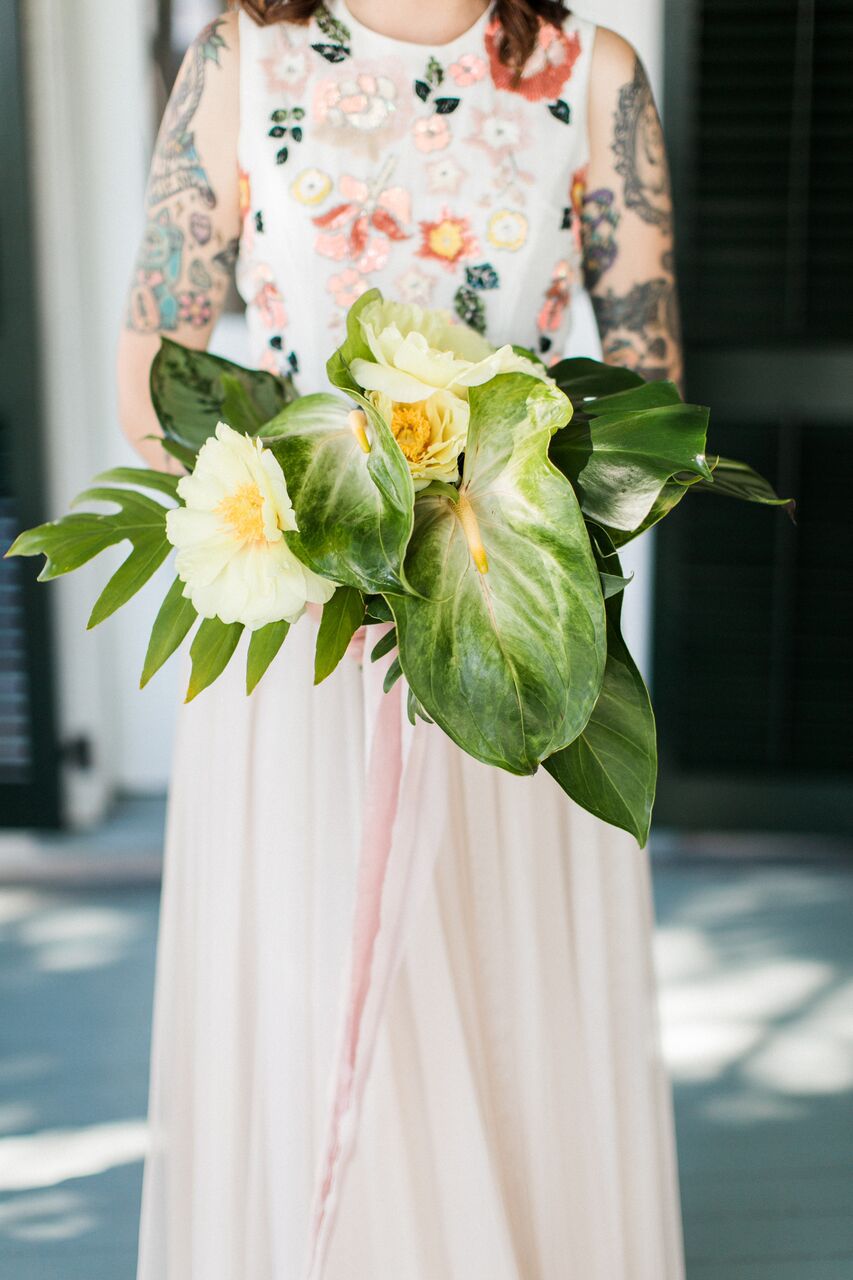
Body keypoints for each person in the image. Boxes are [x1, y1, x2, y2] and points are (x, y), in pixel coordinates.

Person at [117, 2, 686, 1276]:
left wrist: (491, 522)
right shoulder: (239, 58)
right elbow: (153, 366)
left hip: (507, 617)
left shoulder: (591, 77)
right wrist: (323, 522)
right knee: (312, 992)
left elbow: (650, 389)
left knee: (504, 1005)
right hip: (304, 632)